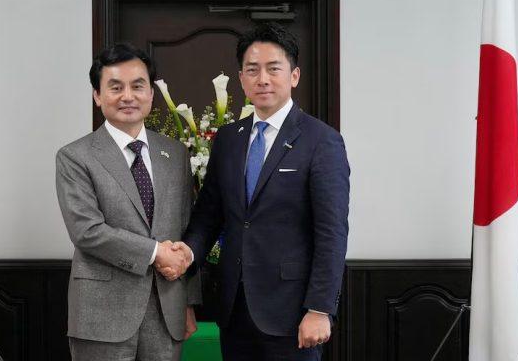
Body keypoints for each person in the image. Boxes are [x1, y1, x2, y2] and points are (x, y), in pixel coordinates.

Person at [165, 22, 350, 361]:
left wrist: (320, 308)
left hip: (293, 312)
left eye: (273, 68)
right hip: (234, 309)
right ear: (241, 79)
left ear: (294, 76)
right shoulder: (228, 139)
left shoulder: (322, 141)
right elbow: (208, 216)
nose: (262, 79)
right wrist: (187, 254)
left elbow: (332, 232)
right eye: (252, 70)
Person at [55, 43, 200, 361]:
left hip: (167, 312)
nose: (128, 96)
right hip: (102, 314)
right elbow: (87, 231)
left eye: (137, 86)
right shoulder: (75, 157)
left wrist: (188, 302)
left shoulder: (175, 154)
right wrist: (155, 251)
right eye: (115, 87)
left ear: (151, 94)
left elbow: (185, 229)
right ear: (97, 95)